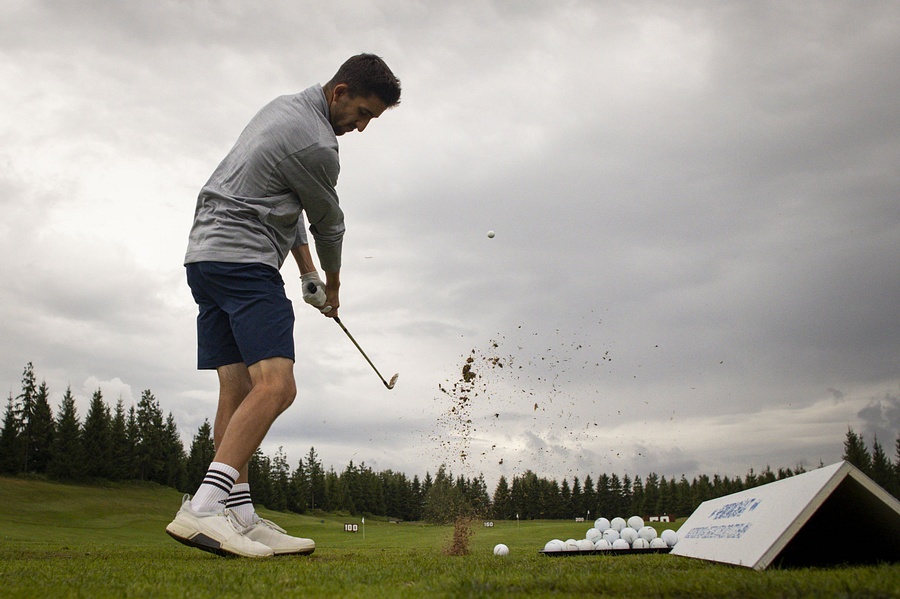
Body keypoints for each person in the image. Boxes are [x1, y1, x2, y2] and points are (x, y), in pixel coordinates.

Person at [165, 54, 401, 558]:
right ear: (339, 92)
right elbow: (328, 223)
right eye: (361, 113)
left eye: (370, 120)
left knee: (237, 386)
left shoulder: (284, 110)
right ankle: (205, 507)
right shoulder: (317, 143)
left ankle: (241, 515)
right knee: (277, 386)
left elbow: (283, 203)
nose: (360, 127)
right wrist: (334, 286)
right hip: (245, 262)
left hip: (204, 261)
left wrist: (307, 273)